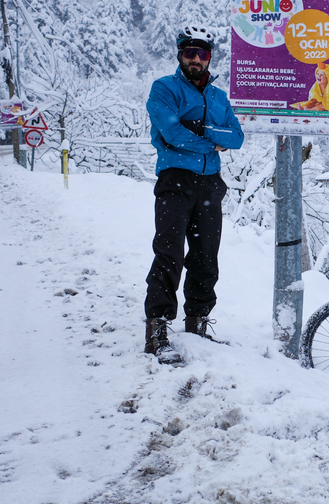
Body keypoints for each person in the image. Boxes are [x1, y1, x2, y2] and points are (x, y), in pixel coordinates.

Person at [144, 25, 244, 364]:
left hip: (209, 183)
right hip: (175, 180)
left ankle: (197, 322)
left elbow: (237, 137)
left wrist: (202, 130)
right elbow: (171, 133)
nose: (196, 59)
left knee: (205, 257)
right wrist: (212, 142)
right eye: (190, 53)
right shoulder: (165, 89)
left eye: (202, 53)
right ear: (179, 55)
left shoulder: (218, 97)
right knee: (168, 252)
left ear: (210, 57)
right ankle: (157, 326)